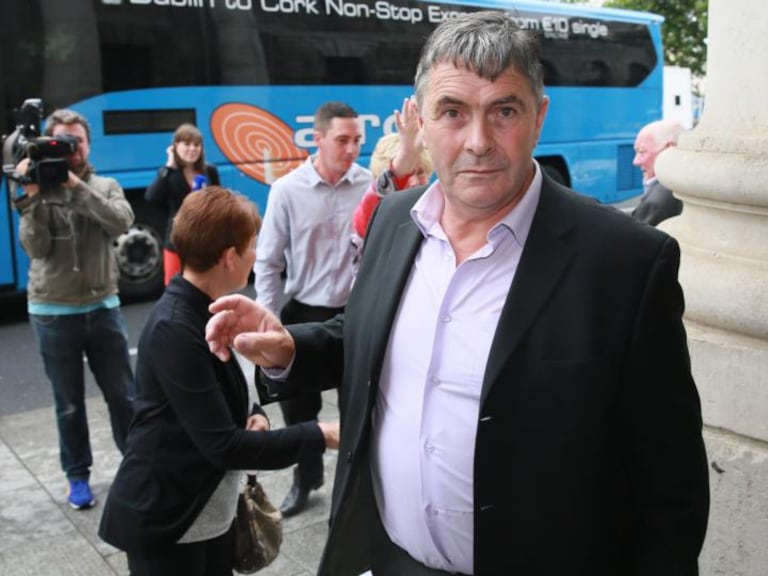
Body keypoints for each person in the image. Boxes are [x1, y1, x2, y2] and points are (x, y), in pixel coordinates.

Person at [207, 11, 709, 576]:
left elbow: (672, 483)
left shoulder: (627, 262)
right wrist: (290, 347)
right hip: (392, 558)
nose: (478, 141)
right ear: (419, 122)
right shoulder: (393, 219)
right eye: (453, 112)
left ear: (538, 117)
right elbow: (372, 334)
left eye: (504, 110)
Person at [99, 186, 339, 575]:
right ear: (229, 257)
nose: (256, 256)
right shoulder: (176, 328)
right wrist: (322, 434)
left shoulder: (208, 309)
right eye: (252, 247)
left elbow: (223, 394)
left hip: (205, 514)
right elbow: (224, 446)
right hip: (170, 521)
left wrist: (256, 413)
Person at [13, 108, 135, 510]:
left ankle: (137, 467)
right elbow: (36, 248)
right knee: (68, 403)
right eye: (61, 142)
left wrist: (74, 186)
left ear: (87, 145)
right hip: (51, 311)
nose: (70, 149)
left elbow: (120, 222)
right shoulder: (36, 191)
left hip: (102, 307)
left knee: (123, 395)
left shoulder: (105, 184)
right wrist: (33, 200)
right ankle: (77, 476)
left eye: (76, 141)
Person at [254, 100, 370, 517]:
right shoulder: (287, 190)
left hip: (356, 315)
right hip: (303, 312)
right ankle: (305, 481)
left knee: (360, 406)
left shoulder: (369, 183)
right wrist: (266, 320)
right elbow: (268, 262)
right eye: (342, 140)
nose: (352, 149)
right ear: (317, 139)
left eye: (358, 140)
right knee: (300, 411)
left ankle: (356, 488)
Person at [145, 123, 221, 285]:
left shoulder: (209, 170)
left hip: (204, 242)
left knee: (206, 287)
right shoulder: (168, 173)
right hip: (176, 242)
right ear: (175, 147)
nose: (192, 149)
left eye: (196, 145)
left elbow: (219, 201)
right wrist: (169, 165)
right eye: (186, 144)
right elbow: (152, 198)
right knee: (175, 288)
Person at [351, 96, 433, 243]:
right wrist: (407, 154)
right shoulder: (372, 213)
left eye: (420, 172)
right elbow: (375, 209)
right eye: (406, 174)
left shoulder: (437, 210)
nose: (414, 182)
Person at [631, 119, 685, 226]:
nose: (636, 161)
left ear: (669, 150)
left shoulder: (657, 202)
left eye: (642, 152)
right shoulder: (684, 183)